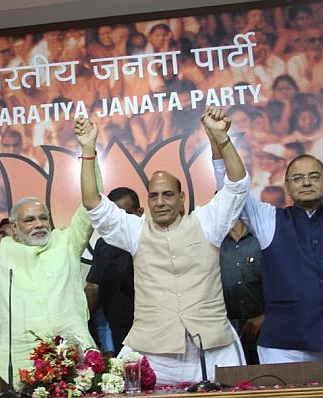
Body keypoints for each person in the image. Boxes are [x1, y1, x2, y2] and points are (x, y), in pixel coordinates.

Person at [77, 106, 250, 385]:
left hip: (213, 349)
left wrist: (221, 138)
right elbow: (92, 203)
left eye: (168, 195)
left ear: (182, 199)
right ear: (147, 202)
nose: (160, 201)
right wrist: (88, 149)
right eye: (154, 196)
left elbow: (238, 185)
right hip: (153, 352)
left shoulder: (207, 223)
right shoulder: (135, 231)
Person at [0, 191, 97, 384]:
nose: (39, 224)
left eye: (43, 218)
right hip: (18, 359)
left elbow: (91, 202)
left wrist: (90, 159)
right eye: (30, 220)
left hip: (72, 353)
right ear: (14, 228)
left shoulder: (67, 242)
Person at [212, 151, 323, 364]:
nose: (306, 183)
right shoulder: (269, 219)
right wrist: (219, 144)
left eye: (314, 177)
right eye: (297, 178)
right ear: (287, 185)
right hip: (284, 346)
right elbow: (233, 192)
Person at [85, 187, 143, 356]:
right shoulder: (106, 244)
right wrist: (81, 321)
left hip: (154, 323)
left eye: (126, 214)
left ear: (140, 212)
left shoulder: (154, 237)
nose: (120, 221)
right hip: (121, 329)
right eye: (115, 215)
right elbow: (92, 287)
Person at [219, 220, 264, 365]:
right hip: (226, 334)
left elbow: (280, 283)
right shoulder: (213, 241)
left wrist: (264, 317)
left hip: (262, 330)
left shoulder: (262, 237)